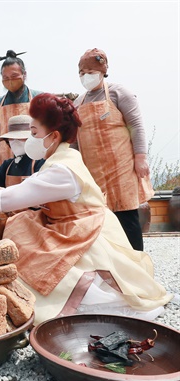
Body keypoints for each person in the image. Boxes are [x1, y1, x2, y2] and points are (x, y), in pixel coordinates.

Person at [0, 93, 172, 325]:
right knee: (21, 225)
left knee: (51, 270)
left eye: (33, 133)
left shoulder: (61, 170)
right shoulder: (61, 156)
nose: (26, 140)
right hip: (67, 223)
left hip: (82, 231)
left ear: (53, 136)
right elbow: (13, 192)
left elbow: (11, 198)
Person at [72, 48, 154, 251]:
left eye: (90, 71)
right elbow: (74, 139)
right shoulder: (78, 102)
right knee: (100, 224)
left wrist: (140, 157)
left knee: (127, 220)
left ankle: (138, 270)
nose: (86, 76)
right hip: (92, 173)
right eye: (82, 73)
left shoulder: (119, 93)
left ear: (102, 70)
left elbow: (136, 125)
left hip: (121, 172)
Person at [0, 50, 41, 173]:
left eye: (14, 76)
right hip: (7, 160)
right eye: (5, 78)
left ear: (24, 75)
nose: (10, 81)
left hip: (37, 159)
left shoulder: (39, 99)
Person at [0, 114, 45, 189]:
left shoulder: (41, 163)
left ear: (31, 139)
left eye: (19, 138)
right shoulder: (7, 166)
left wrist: (4, 193)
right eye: (12, 139)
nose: (15, 142)